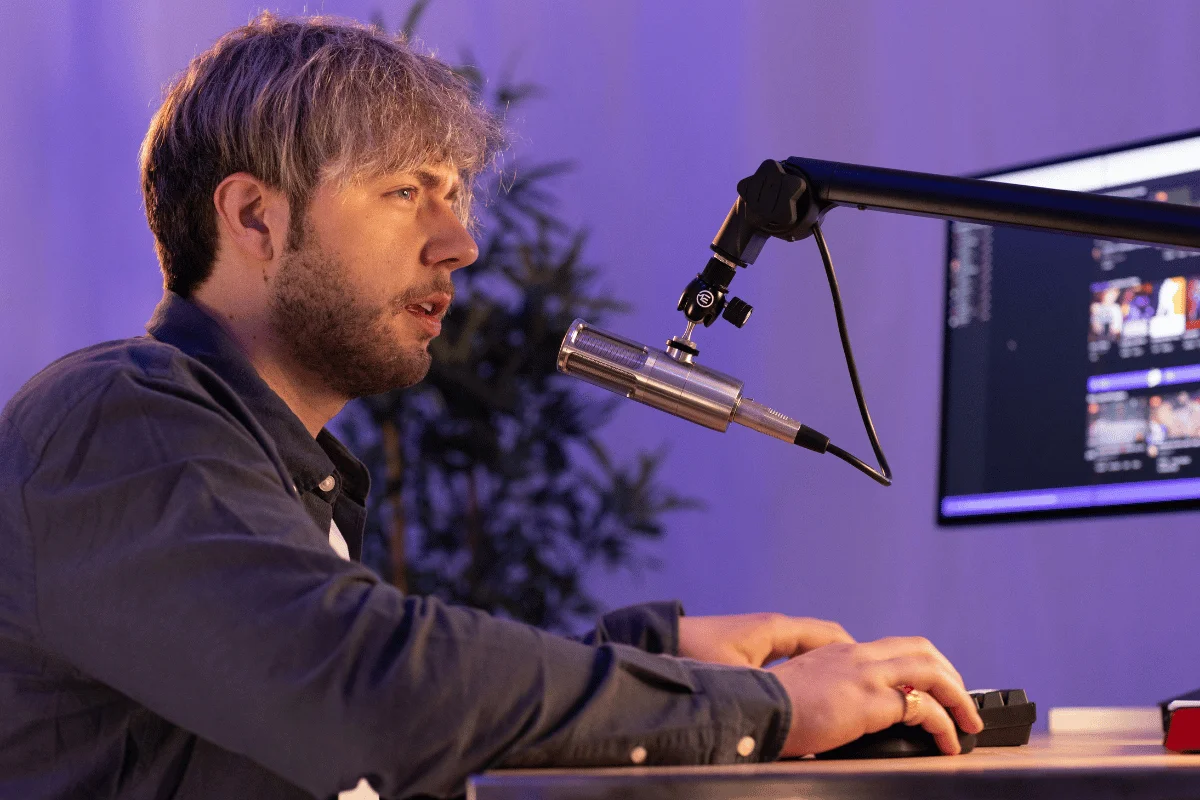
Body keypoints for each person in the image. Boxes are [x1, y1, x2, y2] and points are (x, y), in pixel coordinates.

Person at [0, 13, 981, 800]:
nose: (459, 242)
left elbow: (303, 712)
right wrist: (760, 707)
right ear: (255, 216)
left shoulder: (269, 467)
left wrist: (636, 654)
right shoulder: (119, 419)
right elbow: (370, 690)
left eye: (459, 193)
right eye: (406, 192)